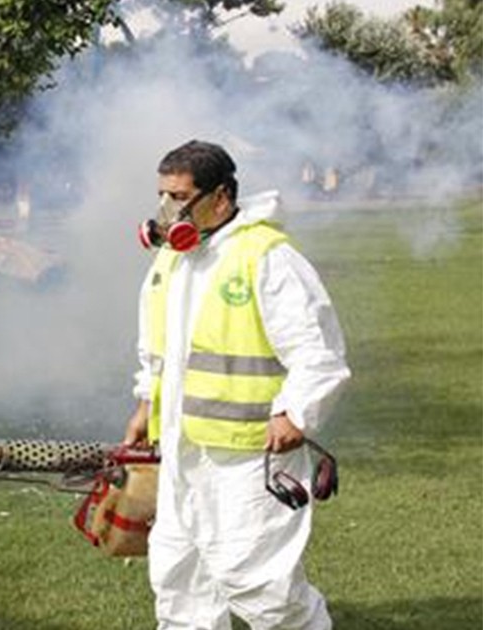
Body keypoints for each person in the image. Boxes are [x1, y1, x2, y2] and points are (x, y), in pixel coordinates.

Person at [123, 140, 351, 630]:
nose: (166, 210)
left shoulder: (266, 257)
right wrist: (146, 403)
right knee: (181, 578)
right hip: (185, 449)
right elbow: (158, 347)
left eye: (179, 197)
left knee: (260, 583)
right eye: (162, 195)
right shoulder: (173, 259)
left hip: (250, 454)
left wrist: (296, 413)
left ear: (221, 196)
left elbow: (318, 351)